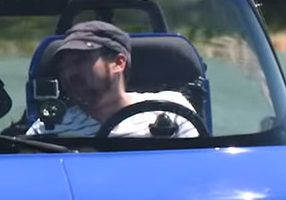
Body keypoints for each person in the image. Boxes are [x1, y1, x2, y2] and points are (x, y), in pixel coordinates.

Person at [26, 20, 200, 138]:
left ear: (118, 63)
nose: (70, 73)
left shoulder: (171, 108)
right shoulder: (49, 127)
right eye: (64, 66)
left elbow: (199, 170)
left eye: (80, 61)